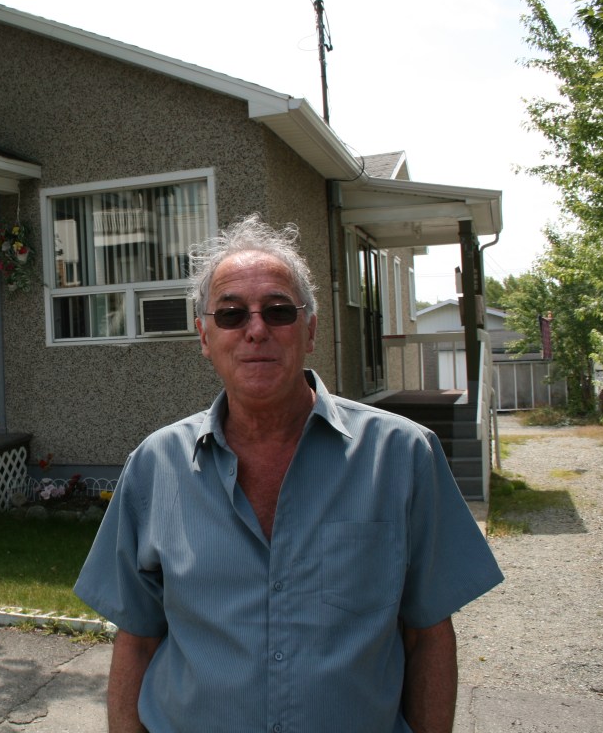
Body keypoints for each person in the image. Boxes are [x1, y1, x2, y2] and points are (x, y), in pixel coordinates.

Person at [74, 214, 503, 733]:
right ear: (205, 336)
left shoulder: (403, 455)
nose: (256, 329)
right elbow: (137, 638)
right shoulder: (154, 465)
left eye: (278, 311)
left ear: (311, 330)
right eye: (231, 314)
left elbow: (428, 634)